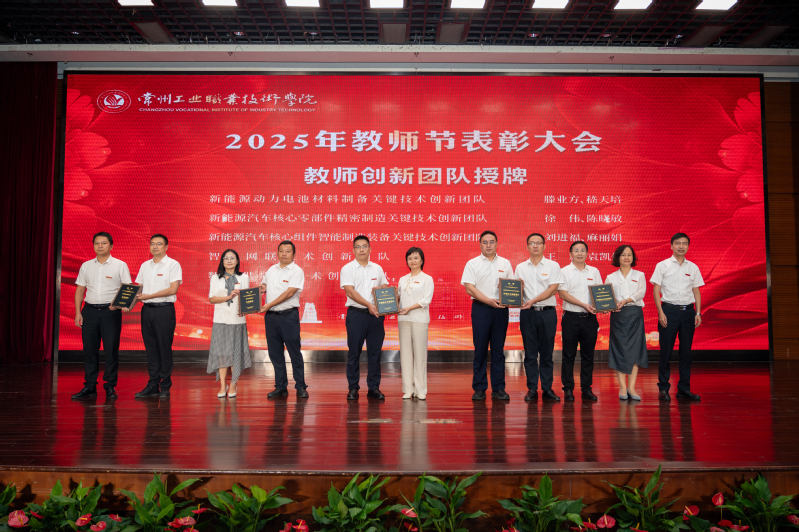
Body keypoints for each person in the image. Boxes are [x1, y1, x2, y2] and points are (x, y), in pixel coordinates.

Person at [71, 232, 132, 400]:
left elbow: (128, 287)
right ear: (93, 246)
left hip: (110, 312)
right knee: (89, 350)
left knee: (111, 350)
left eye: (104, 243)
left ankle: (110, 386)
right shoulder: (86, 266)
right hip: (89, 311)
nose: (100, 246)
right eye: (97, 243)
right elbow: (80, 289)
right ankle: (90, 386)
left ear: (111, 246)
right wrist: (78, 312)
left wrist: (123, 304)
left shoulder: (120, 265)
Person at [651, 233, 705, 402]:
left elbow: (696, 291)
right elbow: (656, 290)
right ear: (671, 245)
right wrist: (660, 312)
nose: (681, 246)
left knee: (686, 352)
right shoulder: (663, 265)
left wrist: (698, 312)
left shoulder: (693, 267)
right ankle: (663, 388)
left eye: (684, 244)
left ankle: (684, 389)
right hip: (669, 311)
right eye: (678, 243)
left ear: (688, 246)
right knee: (666, 352)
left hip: (688, 312)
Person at [461, 230, 513, 402]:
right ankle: (479, 388)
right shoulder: (472, 264)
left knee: (498, 351)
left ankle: (499, 388)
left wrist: (513, 293)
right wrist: (489, 301)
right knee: (480, 349)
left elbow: (511, 286)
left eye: (491, 242)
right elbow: (470, 288)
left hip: (501, 310)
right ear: (480, 244)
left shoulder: (505, 263)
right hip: (481, 309)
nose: (488, 245)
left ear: (497, 244)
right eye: (485, 242)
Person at [514, 233, 563, 403]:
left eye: (538, 243)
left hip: (547, 313)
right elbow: (517, 292)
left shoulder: (553, 266)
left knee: (547, 353)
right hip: (528, 314)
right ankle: (532, 388)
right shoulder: (520, 267)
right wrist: (511, 290)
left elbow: (552, 289)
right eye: (532, 243)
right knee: (530, 353)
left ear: (544, 246)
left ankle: (547, 388)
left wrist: (533, 300)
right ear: (527, 246)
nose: (535, 245)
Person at [340, 235, 389, 400]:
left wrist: (383, 289)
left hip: (376, 316)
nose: (362, 250)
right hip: (356, 315)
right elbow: (350, 292)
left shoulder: (377, 268)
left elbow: (384, 285)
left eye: (365, 246)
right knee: (354, 352)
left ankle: (374, 387)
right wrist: (368, 304)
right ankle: (353, 387)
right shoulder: (347, 268)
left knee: (375, 353)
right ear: (353, 250)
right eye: (358, 247)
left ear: (370, 249)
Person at [134, 234, 182, 399]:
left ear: (166, 247)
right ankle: (153, 384)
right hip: (147, 311)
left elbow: (173, 289)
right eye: (152, 244)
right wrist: (125, 303)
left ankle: (165, 385)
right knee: (151, 348)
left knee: (164, 347)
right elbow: (138, 289)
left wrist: (149, 296)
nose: (155, 246)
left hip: (164, 310)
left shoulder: (173, 264)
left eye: (159, 244)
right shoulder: (145, 265)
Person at [260, 240, 308, 399]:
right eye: (281, 251)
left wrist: (269, 304)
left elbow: (289, 293)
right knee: (275, 353)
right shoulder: (271, 270)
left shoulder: (296, 271)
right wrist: (260, 290)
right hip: (271, 317)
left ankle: (301, 386)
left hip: (288, 316)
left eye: (288, 251)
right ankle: (280, 387)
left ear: (294, 254)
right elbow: (264, 286)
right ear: (277, 253)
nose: (284, 254)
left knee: (294, 352)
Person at [558, 241, 602, 402]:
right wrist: (584, 304)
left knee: (588, 355)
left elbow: (600, 293)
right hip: (571, 317)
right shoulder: (564, 271)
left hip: (590, 319)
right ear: (570, 254)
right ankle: (568, 388)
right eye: (576, 250)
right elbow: (562, 294)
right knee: (568, 355)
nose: (580, 253)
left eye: (583, 250)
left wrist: (603, 306)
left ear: (587, 253)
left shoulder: (594, 271)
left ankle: (586, 388)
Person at [207, 249, 252, 398]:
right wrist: (228, 296)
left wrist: (245, 310)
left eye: (232, 258)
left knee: (235, 353)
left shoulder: (244, 277)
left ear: (237, 261)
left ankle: (233, 384)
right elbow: (212, 299)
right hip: (220, 319)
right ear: (222, 261)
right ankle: (222, 385)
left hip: (237, 320)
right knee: (221, 354)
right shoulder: (215, 278)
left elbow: (247, 298)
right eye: (226, 258)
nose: (229, 261)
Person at [606, 245, 648, 401]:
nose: (626, 257)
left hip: (635, 314)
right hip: (618, 315)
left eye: (629, 255)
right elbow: (607, 297)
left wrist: (626, 300)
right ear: (617, 257)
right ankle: (622, 387)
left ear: (633, 258)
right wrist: (609, 305)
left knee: (635, 351)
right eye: (623, 255)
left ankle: (632, 387)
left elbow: (641, 292)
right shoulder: (611, 277)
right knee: (620, 350)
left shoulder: (639, 275)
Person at [397, 247, 434, 400]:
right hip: (403, 320)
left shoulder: (427, 279)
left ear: (422, 260)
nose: (412, 261)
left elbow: (426, 300)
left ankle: (420, 389)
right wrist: (388, 296)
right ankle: (408, 389)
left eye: (416, 258)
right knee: (405, 355)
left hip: (419, 319)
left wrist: (410, 308)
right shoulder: (402, 279)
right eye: (410, 258)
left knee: (420, 355)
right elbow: (398, 298)